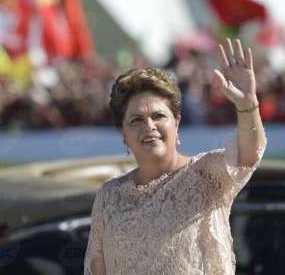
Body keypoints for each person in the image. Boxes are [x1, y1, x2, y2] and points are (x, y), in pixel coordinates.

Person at [83, 38, 267, 274]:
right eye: (136, 120)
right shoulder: (110, 196)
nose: (149, 126)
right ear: (123, 134)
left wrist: (248, 106)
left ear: (176, 123)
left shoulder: (204, 174)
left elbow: (248, 156)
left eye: (158, 116)